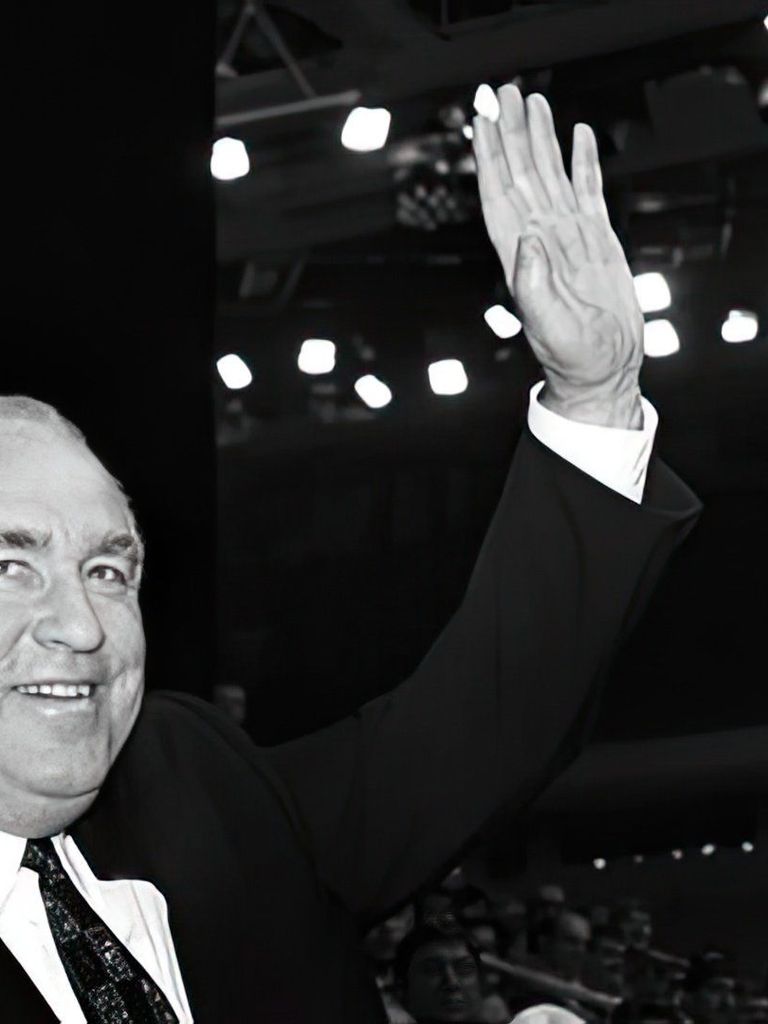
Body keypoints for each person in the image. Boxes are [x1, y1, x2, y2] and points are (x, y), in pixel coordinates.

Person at [0, 84, 700, 1022]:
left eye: (107, 571)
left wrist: (597, 395)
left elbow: (478, 728)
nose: (82, 626)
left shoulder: (190, 779)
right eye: (11, 566)